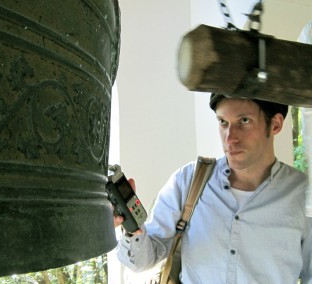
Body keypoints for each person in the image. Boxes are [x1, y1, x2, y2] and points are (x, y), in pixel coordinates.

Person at [114, 93, 312, 283]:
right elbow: (143, 261)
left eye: (244, 121)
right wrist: (133, 228)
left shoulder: (302, 193)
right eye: (223, 122)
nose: (230, 138)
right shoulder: (189, 180)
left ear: (275, 124)